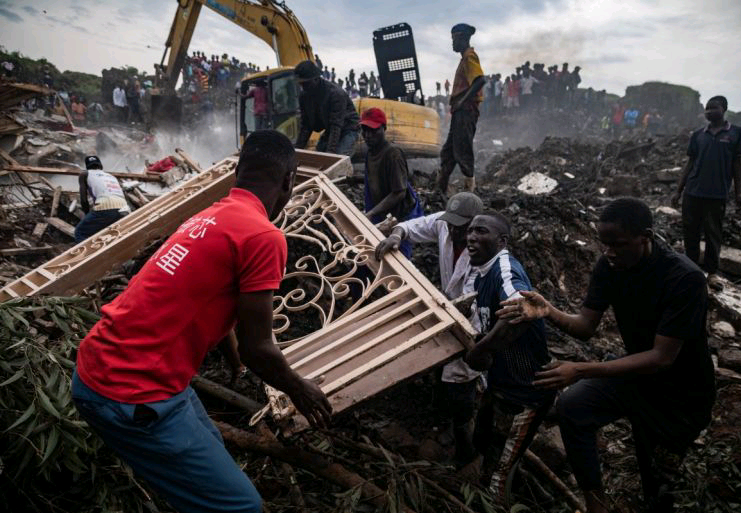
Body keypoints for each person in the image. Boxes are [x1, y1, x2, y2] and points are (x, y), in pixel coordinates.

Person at [72, 131, 332, 513]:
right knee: (242, 507)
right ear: (289, 181)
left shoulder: (211, 215)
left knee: (210, 439)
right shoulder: (264, 236)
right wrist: (300, 390)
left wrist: (232, 361)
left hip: (98, 364)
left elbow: (210, 297)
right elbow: (259, 350)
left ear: (237, 173)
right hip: (131, 391)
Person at [497, 198, 715, 513]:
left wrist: (583, 369)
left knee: (657, 484)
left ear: (646, 236)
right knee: (574, 406)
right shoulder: (609, 265)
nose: (609, 252)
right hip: (638, 377)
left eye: (619, 244)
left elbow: (662, 358)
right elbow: (586, 326)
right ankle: (596, 506)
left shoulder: (684, 278)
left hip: (681, 395)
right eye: (605, 244)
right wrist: (548, 310)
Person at [375, 192, 484, 467]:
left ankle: (465, 442)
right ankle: (442, 413)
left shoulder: (484, 249)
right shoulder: (445, 224)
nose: (455, 229)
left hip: (472, 318)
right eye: (453, 223)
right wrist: (397, 235)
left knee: (463, 377)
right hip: (447, 307)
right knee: (442, 366)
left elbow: (472, 299)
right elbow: (413, 225)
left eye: (462, 226)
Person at [461, 212, 554, 502]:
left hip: (525, 392)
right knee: (485, 443)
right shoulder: (481, 272)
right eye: (470, 231)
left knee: (497, 477)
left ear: (502, 241)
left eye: (481, 231)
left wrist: (481, 350)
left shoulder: (504, 269)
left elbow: (521, 310)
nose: (471, 237)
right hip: (501, 385)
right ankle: (534, 492)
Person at [671, 95, 741, 283]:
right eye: (707, 109)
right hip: (693, 192)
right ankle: (691, 269)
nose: (709, 112)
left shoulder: (737, 133)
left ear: (724, 109)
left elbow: (737, 164)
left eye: (714, 108)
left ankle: (712, 273)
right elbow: (690, 163)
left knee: (713, 234)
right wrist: (679, 190)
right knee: (691, 232)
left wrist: (739, 191)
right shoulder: (698, 135)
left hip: (717, 193)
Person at [359, 108, 422, 256]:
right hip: (382, 213)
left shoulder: (393, 154)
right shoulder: (370, 152)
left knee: (398, 257)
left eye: (373, 130)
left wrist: (372, 212)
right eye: (365, 130)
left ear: (384, 128)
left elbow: (399, 192)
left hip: (399, 216)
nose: (368, 135)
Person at [436, 23, 485, 196]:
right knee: (448, 152)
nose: (452, 43)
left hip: (466, 111)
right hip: (460, 112)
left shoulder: (470, 57)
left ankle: (470, 192)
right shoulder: (464, 58)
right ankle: (440, 189)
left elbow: (480, 80)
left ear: (462, 38)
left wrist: (462, 100)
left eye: (454, 39)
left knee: (463, 151)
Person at [294, 60, 360, 156]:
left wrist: (330, 155)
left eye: (306, 83)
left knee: (338, 159)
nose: (303, 87)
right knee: (320, 153)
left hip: (348, 128)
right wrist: (296, 152)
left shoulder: (335, 94)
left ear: (316, 79)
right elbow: (306, 126)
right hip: (331, 128)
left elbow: (336, 126)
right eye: (301, 84)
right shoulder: (304, 96)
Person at [75, 156, 130, 243]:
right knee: (111, 232)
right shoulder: (111, 176)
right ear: (100, 165)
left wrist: (87, 214)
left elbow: (83, 199)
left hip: (104, 207)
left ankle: (90, 255)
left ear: (87, 166)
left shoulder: (84, 174)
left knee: (80, 232)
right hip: (124, 208)